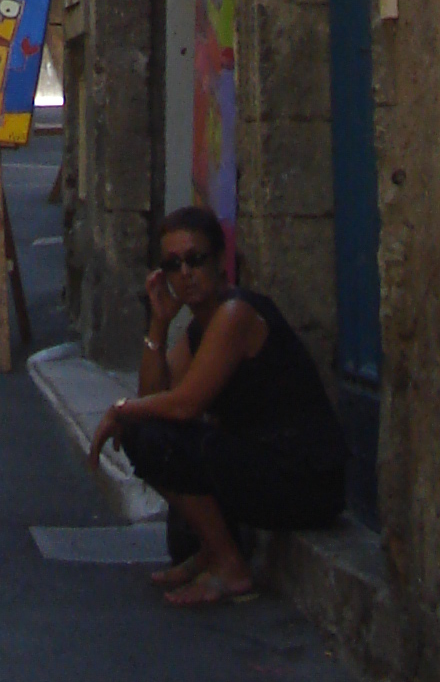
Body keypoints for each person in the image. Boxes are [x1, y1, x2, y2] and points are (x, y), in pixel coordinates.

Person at [85, 204, 346, 606]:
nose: (185, 273)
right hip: (262, 466)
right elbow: (154, 396)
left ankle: (230, 565)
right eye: (173, 264)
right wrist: (158, 324)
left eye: (195, 259)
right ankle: (212, 551)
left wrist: (120, 410)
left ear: (221, 261)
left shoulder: (236, 314)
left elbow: (185, 406)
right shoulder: (199, 328)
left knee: (152, 436)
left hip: (305, 481)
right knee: (144, 433)